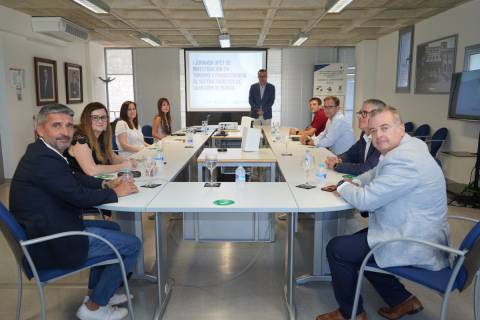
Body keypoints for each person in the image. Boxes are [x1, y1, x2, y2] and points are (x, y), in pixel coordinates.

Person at [316, 106, 450, 320]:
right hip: (417, 228)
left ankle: (351, 314)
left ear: (401, 128)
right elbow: (376, 172)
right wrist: (355, 181)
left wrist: (342, 186)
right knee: (359, 245)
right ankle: (403, 301)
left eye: (384, 128)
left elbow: (367, 201)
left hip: (415, 239)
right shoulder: (411, 145)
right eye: (373, 131)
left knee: (338, 249)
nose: (378, 135)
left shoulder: (405, 159)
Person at [9, 104, 141, 320]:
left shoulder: (43, 152)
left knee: (114, 227)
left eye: (69, 125)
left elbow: (73, 178)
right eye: (57, 125)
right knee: (132, 244)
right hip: (52, 242)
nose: (65, 131)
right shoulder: (44, 160)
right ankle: (94, 307)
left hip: (49, 228)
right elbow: (77, 196)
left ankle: (97, 293)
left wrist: (104, 186)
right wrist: (117, 193)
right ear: (40, 129)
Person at [66, 102, 135, 176]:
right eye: (95, 117)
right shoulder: (80, 140)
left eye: (103, 117)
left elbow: (112, 157)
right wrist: (123, 166)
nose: (100, 121)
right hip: (81, 184)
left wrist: (128, 162)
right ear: (86, 119)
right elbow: (91, 170)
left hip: (98, 181)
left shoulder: (101, 136)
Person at [325, 99, 384, 175]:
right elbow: (351, 153)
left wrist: (337, 165)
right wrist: (339, 159)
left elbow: (367, 169)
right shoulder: (364, 134)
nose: (359, 116)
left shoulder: (382, 140)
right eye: (360, 113)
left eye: (364, 113)